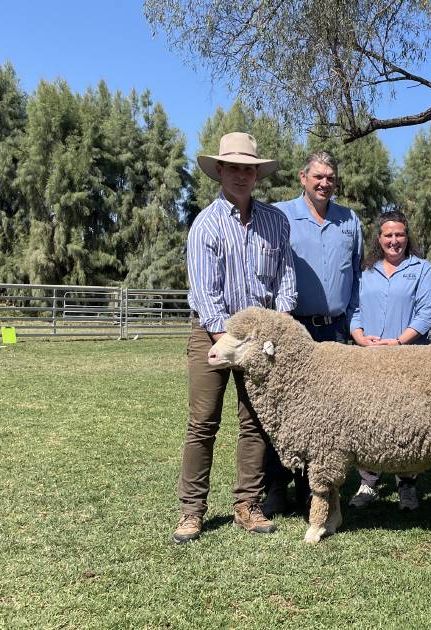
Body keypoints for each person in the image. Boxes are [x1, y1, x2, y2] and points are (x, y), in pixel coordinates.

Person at [173, 132, 297, 543]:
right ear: (220, 171)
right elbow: (206, 295)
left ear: (256, 174)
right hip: (212, 334)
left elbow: (286, 283)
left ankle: (248, 503)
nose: (242, 175)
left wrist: (272, 329)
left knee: (255, 421)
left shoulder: (276, 223)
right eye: (235, 168)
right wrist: (228, 341)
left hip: (260, 337)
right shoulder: (205, 225)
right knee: (203, 421)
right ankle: (192, 510)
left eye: (249, 169)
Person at [269, 151, 364, 515]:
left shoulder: (349, 221)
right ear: (302, 178)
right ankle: (276, 486)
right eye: (318, 176)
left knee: (327, 415)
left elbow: (355, 277)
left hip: (334, 331)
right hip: (292, 328)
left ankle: (316, 489)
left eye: (331, 177)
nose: (324, 183)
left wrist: (353, 323)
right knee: (285, 411)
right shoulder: (279, 216)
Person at [347, 210, 431, 510]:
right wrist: (360, 337)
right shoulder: (365, 272)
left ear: (407, 237)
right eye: (388, 235)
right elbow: (354, 309)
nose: (394, 240)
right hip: (369, 359)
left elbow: (426, 313)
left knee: (406, 421)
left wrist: (399, 342)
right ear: (379, 238)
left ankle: (407, 485)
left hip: (408, 358)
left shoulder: (423, 270)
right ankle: (368, 483)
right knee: (368, 420)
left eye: (399, 234)